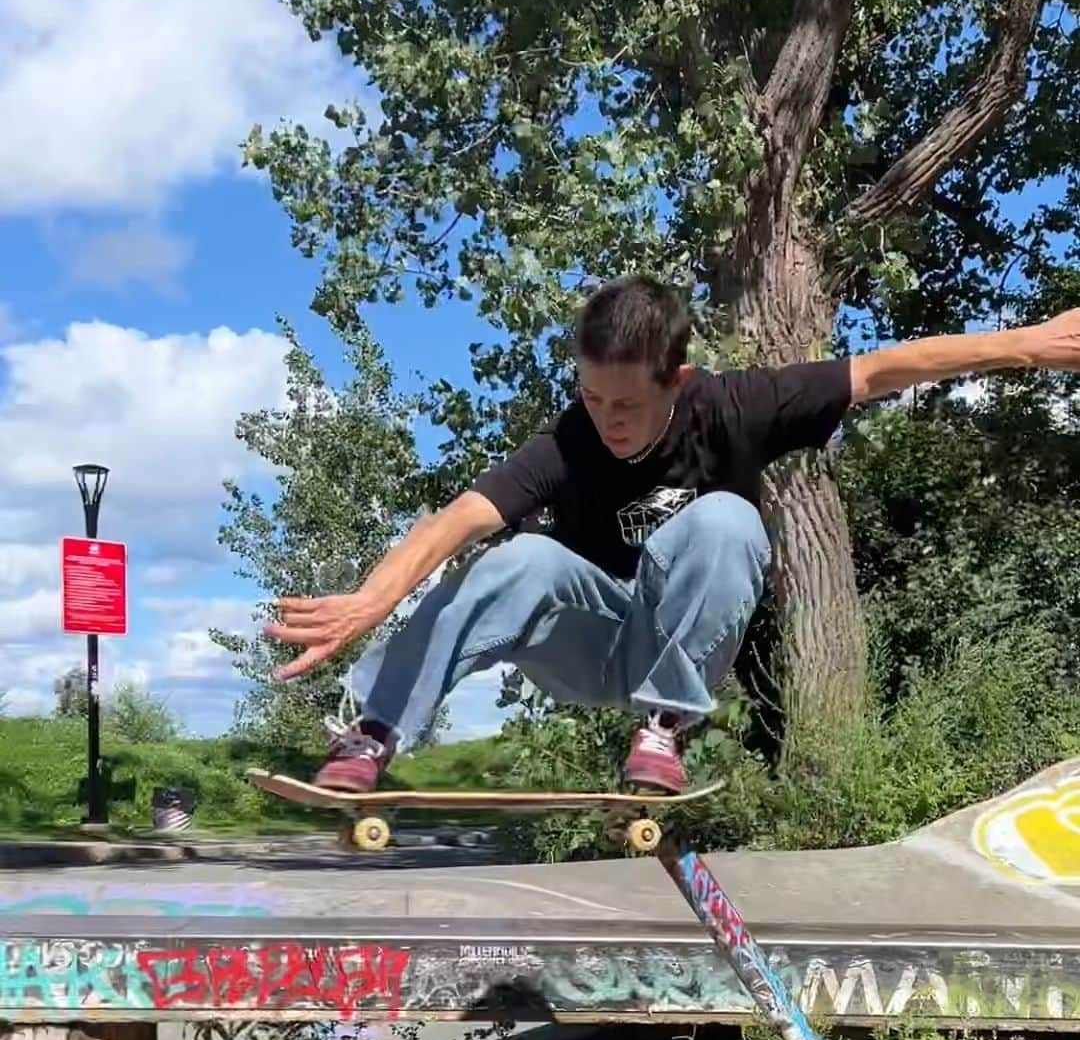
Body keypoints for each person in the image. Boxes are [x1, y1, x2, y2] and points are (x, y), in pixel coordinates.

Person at [266, 278, 1080, 794]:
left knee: (728, 519)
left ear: (678, 382)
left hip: (675, 647)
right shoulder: (567, 443)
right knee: (517, 555)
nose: (608, 423)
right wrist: (370, 600)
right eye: (592, 400)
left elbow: (880, 370)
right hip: (583, 646)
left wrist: (1027, 344)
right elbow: (456, 521)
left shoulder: (736, 405)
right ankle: (375, 731)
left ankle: (662, 727)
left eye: (627, 405)